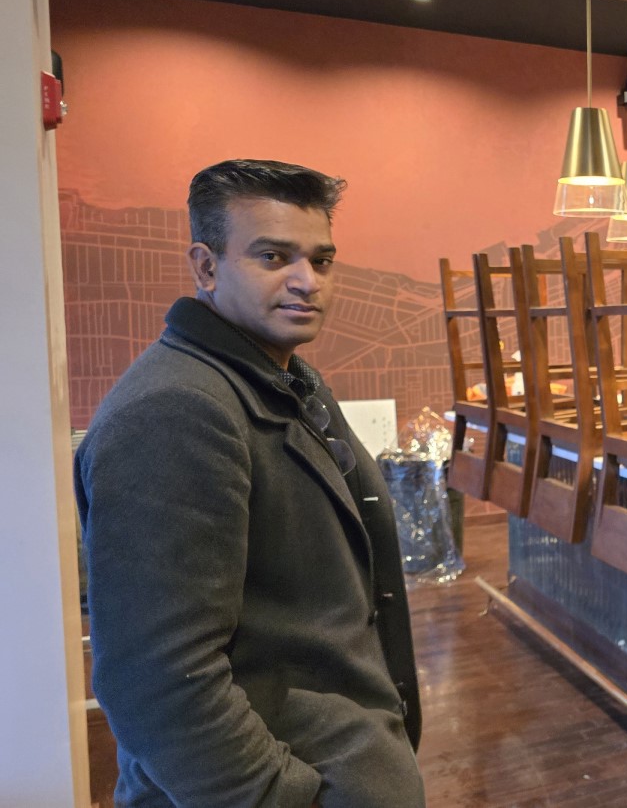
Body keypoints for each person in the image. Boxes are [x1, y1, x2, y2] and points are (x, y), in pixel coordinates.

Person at [75, 159, 424, 808]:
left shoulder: (282, 378)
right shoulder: (176, 411)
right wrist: (287, 797)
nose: (307, 281)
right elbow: (159, 682)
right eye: (273, 256)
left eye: (321, 260)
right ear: (206, 267)